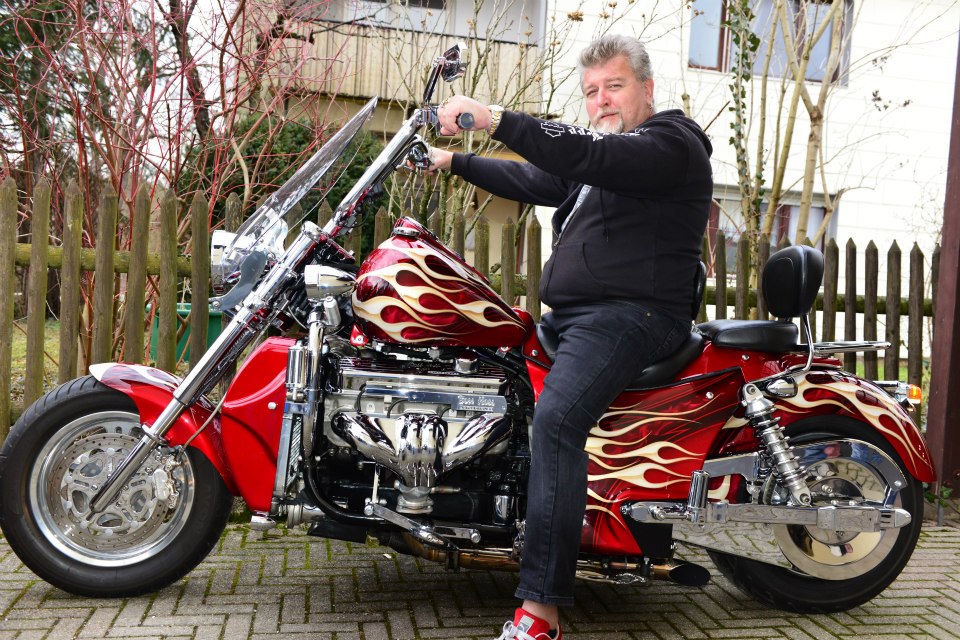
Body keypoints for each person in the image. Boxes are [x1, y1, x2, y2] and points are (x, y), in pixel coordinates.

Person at [429, 34, 713, 640]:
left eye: (614, 86)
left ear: (646, 89)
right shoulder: (602, 165)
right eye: (591, 91)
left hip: (632, 315)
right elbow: (537, 178)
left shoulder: (671, 144)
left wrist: (495, 118)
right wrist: (449, 161)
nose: (601, 100)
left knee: (557, 422)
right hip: (575, 317)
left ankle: (541, 614)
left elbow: (587, 153)